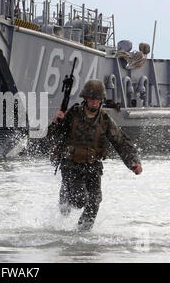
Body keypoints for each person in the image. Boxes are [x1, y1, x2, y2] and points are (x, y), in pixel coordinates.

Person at [48, 80, 143, 232]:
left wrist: (133, 162)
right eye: (91, 99)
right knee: (80, 200)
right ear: (85, 99)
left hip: (93, 167)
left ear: (101, 101)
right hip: (71, 166)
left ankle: (83, 232)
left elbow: (121, 142)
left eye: (97, 100)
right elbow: (53, 137)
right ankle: (66, 193)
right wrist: (56, 121)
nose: (94, 103)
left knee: (95, 200)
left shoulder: (104, 120)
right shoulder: (73, 114)